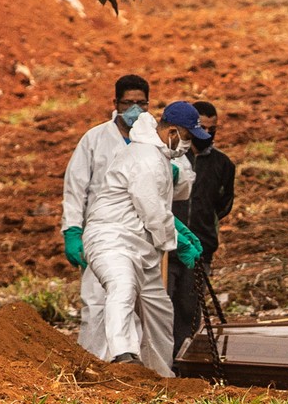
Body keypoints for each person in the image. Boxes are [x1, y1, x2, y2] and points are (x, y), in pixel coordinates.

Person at [82, 102, 209, 377]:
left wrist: (176, 230)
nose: (187, 145)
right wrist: (177, 241)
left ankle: (159, 374)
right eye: (187, 138)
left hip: (140, 243)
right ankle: (122, 356)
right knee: (122, 286)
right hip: (111, 238)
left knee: (159, 309)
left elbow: (152, 207)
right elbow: (152, 211)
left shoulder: (159, 155)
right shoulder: (146, 158)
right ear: (173, 131)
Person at [168, 101, 236, 360]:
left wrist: (203, 230)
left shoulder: (223, 165)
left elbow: (224, 205)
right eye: (202, 128)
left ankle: (183, 361)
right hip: (167, 247)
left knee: (190, 310)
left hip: (200, 249)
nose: (207, 134)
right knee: (162, 306)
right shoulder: (174, 159)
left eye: (213, 129)